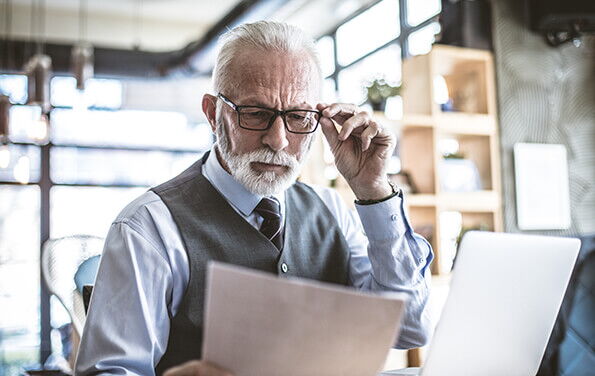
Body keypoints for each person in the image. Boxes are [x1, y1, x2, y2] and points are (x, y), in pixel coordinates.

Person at [75, 21, 433, 376]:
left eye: (297, 116)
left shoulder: (334, 210)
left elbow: (410, 327)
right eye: (256, 114)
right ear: (213, 113)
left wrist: (373, 192)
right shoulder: (149, 228)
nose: (277, 140)